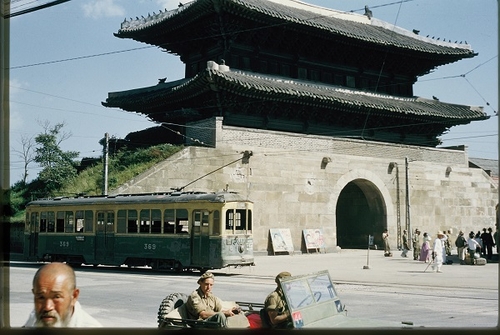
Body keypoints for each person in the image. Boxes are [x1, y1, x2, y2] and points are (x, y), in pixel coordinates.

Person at [24, 262, 102, 328]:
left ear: (74, 296)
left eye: (56, 297)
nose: (47, 307)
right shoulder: (35, 318)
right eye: (41, 297)